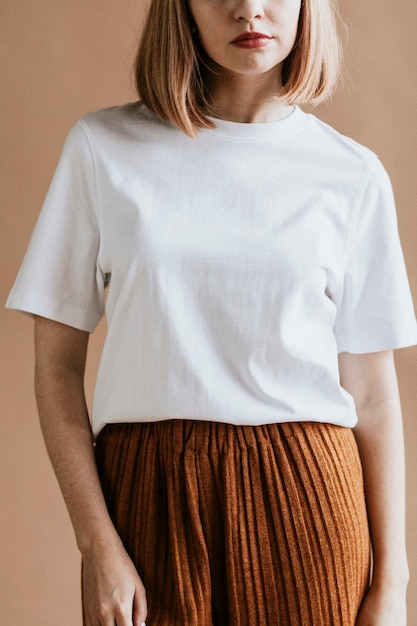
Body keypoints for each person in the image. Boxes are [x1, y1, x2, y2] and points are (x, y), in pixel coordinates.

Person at [6, 0, 417, 624]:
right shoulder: (102, 147)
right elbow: (56, 369)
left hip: (309, 500)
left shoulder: (352, 175)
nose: (249, 8)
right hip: (145, 495)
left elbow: (374, 395)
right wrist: (97, 545)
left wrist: (392, 585)